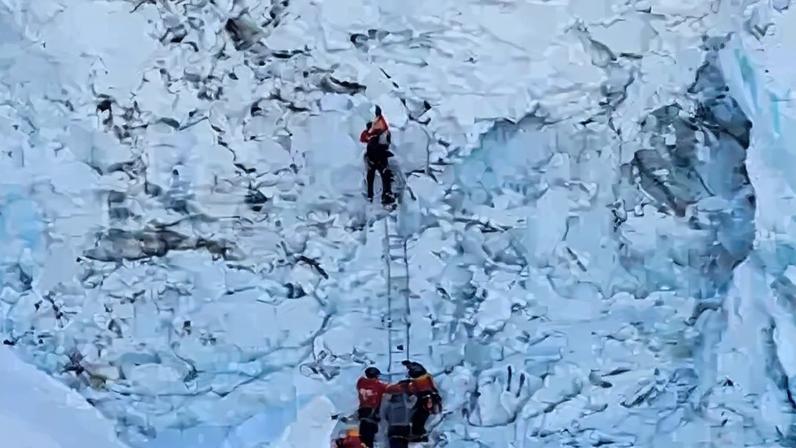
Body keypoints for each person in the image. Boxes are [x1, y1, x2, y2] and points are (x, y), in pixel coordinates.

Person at [386, 361, 442, 442]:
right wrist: (409, 365)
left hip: (426, 402)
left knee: (418, 418)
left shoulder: (419, 383)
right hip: (427, 400)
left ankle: (418, 435)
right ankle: (417, 433)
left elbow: (409, 389)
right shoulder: (426, 377)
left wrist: (392, 389)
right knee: (416, 416)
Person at [359, 108, 395, 206]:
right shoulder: (369, 134)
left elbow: (387, 141)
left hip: (378, 157)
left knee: (383, 175)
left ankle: (384, 194)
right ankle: (372, 195)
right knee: (376, 175)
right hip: (374, 158)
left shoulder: (379, 131)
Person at [355, 367, 387, 448]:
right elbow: (390, 388)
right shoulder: (379, 385)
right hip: (372, 413)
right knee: (369, 439)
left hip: (362, 413)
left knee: (363, 438)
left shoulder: (360, 382)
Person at [384, 382, 413, 448]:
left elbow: (385, 414)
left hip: (393, 426)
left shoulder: (389, 401)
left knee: (394, 443)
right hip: (404, 426)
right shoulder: (407, 400)